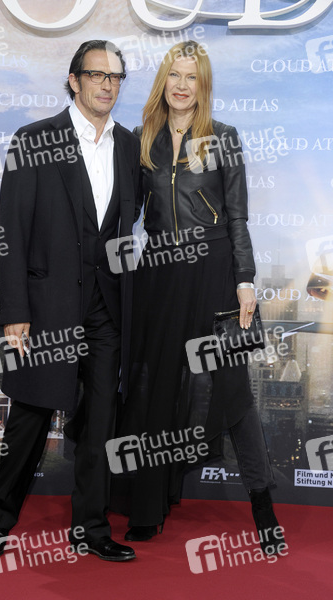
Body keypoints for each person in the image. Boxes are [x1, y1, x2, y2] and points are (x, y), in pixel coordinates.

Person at [113, 41, 284, 555]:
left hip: (213, 273)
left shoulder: (222, 137)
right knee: (155, 388)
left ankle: (262, 504)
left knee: (233, 392)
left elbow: (237, 216)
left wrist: (245, 279)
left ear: (203, 85)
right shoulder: (144, 140)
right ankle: (148, 507)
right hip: (160, 275)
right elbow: (128, 213)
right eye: (175, 75)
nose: (182, 85)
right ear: (163, 81)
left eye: (192, 77)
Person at [0, 40, 140, 562]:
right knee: (30, 416)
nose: (107, 85)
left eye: (115, 77)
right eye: (97, 75)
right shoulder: (34, 139)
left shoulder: (128, 146)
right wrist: (15, 312)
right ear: (74, 80)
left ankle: (91, 528)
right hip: (46, 307)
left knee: (99, 424)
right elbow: (12, 231)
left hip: (107, 308)